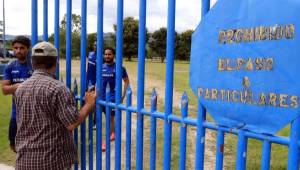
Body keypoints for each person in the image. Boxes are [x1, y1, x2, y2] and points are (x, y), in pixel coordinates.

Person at [14, 41, 96, 169]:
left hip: (24, 159)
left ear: (32, 62)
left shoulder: (20, 88)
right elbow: (71, 123)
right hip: (50, 161)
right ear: (55, 62)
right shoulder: (58, 88)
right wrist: (88, 105)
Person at [1, 36, 33, 153]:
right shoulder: (10, 66)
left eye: (22, 48)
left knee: (34, 143)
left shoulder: (34, 65)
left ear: (28, 48)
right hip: (16, 113)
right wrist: (16, 87)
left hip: (33, 112)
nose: (18, 51)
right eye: (15, 48)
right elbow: (4, 90)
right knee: (13, 144)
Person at [101, 47, 129, 151]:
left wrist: (122, 96)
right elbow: (98, 82)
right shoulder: (101, 67)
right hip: (102, 98)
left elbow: (126, 81)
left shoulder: (120, 68)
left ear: (114, 55)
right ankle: (113, 133)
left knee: (110, 119)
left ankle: (106, 142)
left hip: (113, 99)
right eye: (106, 54)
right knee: (103, 119)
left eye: (109, 54)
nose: (107, 56)